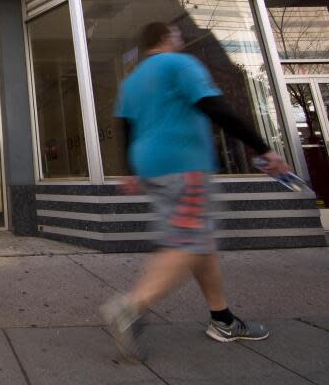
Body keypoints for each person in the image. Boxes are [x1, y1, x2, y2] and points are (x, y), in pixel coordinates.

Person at [101, 22, 290, 361]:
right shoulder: (180, 64)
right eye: (175, 34)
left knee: (199, 241)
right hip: (183, 163)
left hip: (152, 166)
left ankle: (223, 319)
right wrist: (264, 150)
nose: (180, 38)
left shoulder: (131, 80)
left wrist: (130, 172)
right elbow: (218, 109)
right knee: (188, 242)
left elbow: (125, 127)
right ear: (163, 39)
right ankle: (130, 308)